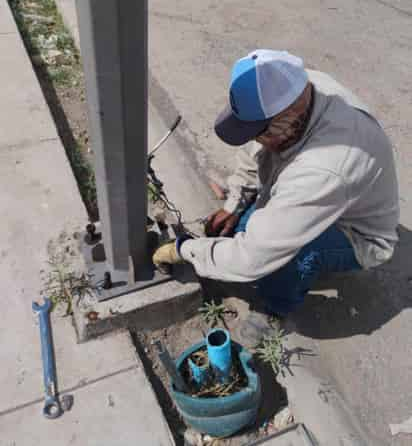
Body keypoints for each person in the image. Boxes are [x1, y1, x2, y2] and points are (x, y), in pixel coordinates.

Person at [153, 50, 399, 344]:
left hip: (357, 234)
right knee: (242, 226)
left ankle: (274, 308)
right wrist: (235, 203)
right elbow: (253, 150)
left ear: (287, 121)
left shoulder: (324, 168)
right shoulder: (299, 89)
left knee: (293, 252)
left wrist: (185, 250)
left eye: (260, 132)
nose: (256, 139)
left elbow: (252, 257)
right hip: (326, 195)